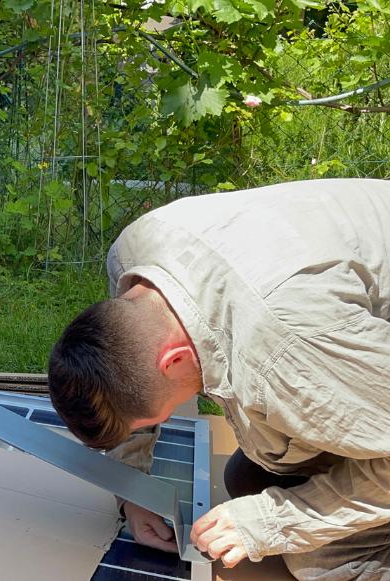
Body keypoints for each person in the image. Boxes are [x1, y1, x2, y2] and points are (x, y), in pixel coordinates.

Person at [47, 179, 389, 580]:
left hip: (315, 337)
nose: (159, 421)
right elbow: (126, 383)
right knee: (247, 479)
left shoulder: (287, 350)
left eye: (154, 418)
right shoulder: (133, 262)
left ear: (174, 361)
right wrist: (134, 490)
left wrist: (265, 524)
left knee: (323, 561)